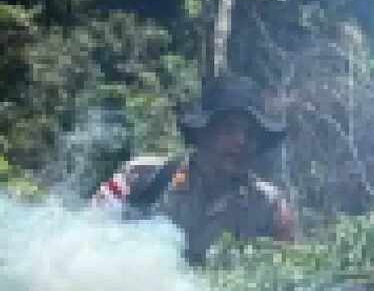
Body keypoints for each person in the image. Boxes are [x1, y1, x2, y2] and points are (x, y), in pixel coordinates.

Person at [92, 73, 297, 265]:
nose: (241, 141)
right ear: (203, 133)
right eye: (228, 129)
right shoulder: (140, 178)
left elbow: (282, 282)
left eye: (250, 134)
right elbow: (88, 239)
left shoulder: (272, 211)